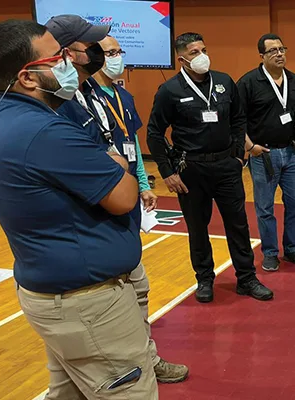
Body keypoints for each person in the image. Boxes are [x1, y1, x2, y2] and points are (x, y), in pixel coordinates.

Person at [0, 19, 158, 399]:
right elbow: (124, 195)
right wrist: (116, 164)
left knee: (69, 393)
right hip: (89, 303)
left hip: (56, 293)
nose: (69, 62)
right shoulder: (45, 131)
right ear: (27, 78)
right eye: (58, 57)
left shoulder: (5, 117)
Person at [45, 15, 189, 383]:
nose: (103, 55)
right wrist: (117, 170)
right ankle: (138, 364)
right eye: (95, 48)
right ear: (66, 53)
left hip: (118, 216)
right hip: (91, 229)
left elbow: (125, 147)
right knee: (106, 330)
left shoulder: (99, 94)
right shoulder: (55, 105)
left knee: (139, 293)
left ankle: (148, 357)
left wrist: (139, 181)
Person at [147, 32, 273, 303]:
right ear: (181, 59)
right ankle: (204, 279)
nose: (202, 56)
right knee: (197, 227)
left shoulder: (224, 82)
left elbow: (239, 119)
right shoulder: (169, 90)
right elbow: (154, 133)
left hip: (227, 166)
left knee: (238, 225)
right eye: (194, 52)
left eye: (203, 49)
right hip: (190, 169)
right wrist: (167, 172)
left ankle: (247, 278)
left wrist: (238, 155)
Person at [237, 33, 295, 272]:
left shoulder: (294, 80)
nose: (279, 54)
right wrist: (250, 147)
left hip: (292, 152)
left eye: (282, 49)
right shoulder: (248, 83)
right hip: (263, 155)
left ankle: (293, 249)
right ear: (262, 56)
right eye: (273, 51)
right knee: (265, 208)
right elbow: (236, 120)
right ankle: (270, 253)